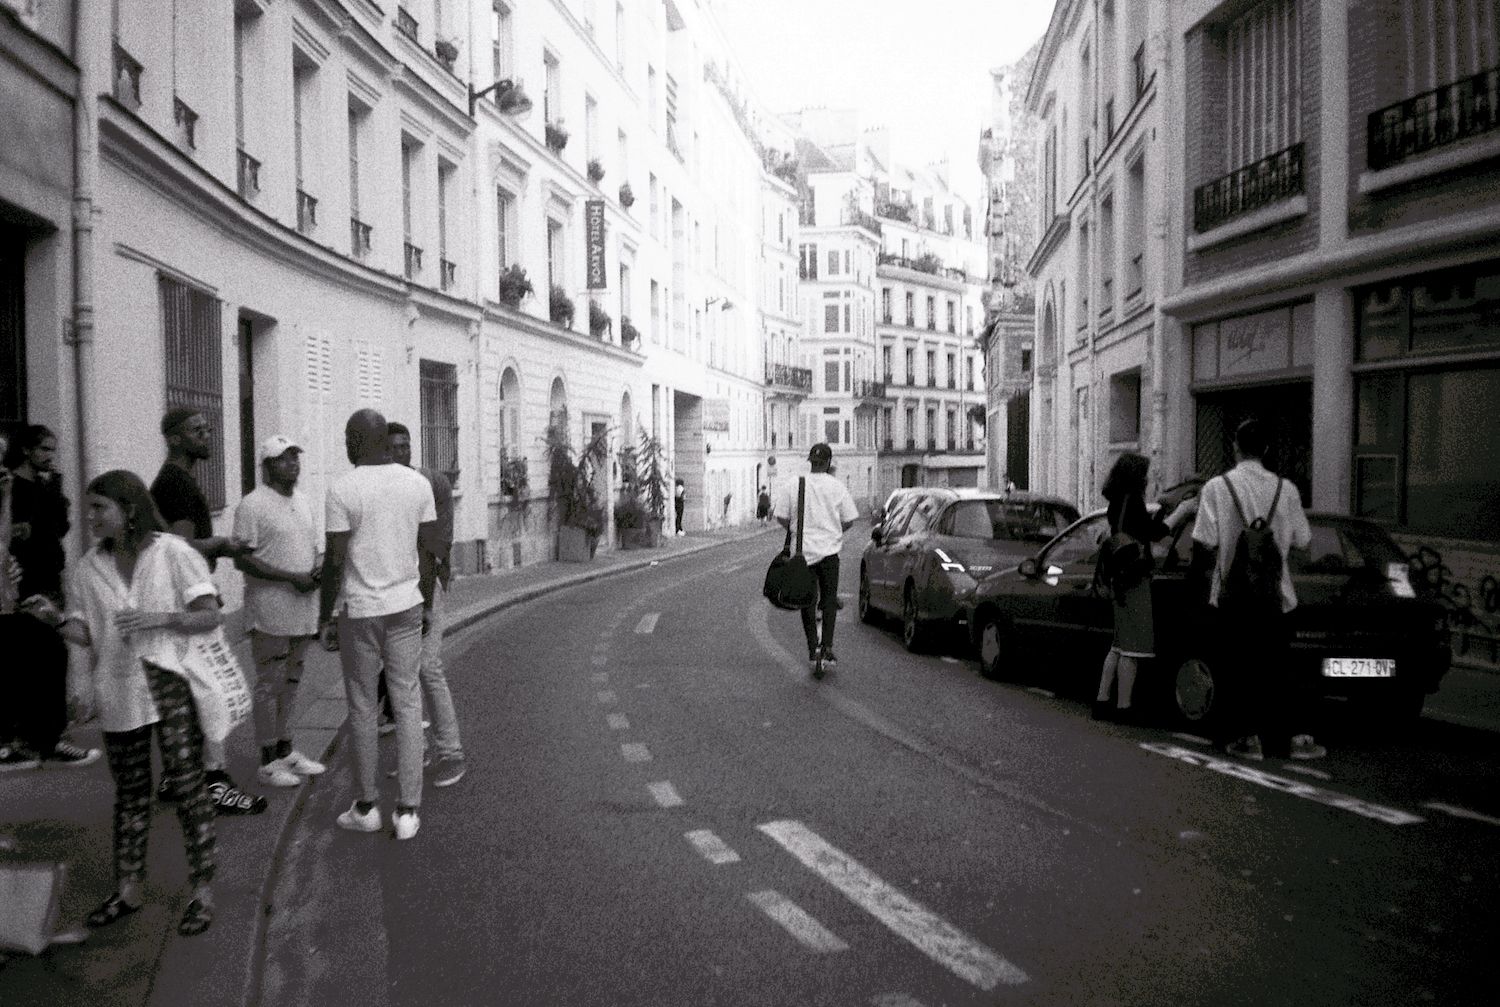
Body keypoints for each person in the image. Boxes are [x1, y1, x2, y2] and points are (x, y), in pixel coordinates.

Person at [25, 470, 222, 937]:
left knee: (188, 787)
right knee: (131, 794)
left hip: (171, 683)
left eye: (100, 507)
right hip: (118, 689)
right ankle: (127, 889)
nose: (90, 516)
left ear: (129, 509)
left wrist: (160, 618)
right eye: (89, 507)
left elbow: (209, 615)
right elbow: (86, 633)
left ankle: (202, 890)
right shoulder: (87, 568)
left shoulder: (173, 553)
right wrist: (55, 620)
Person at [318, 409, 437, 840]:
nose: (345, 445)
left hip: (361, 610)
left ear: (356, 441)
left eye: (347, 438)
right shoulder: (417, 484)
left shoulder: (342, 489)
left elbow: (335, 560)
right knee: (407, 702)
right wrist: (426, 603)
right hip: (406, 605)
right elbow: (428, 551)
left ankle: (366, 806)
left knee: (363, 706)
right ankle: (407, 812)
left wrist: (324, 616)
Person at [1191, 419, 1325, 762]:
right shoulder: (1287, 489)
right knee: (1277, 669)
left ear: (1235, 447)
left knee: (1237, 668)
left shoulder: (1217, 487)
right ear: (1266, 449)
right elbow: (1303, 540)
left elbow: (1204, 540)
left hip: (1232, 597)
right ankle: (1286, 739)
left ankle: (1245, 738)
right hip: (1277, 596)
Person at [150, 407, 263, 814]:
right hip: (187, 602)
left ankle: (176, 775)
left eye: (207, 428)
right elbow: (181, 549)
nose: (207, 433)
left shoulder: (175, 480)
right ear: (174, 438)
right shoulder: (176, 484)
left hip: (182, 599)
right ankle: (213, 780)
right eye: (196, 430)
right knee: (211, 689)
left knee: (186, 691)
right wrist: (221, 546)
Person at [2, 425, 100, 769]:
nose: (50, 456)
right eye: (44, 449)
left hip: (48, 576)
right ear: (27, 450)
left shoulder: (47, 485)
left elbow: (61, 527)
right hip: (22, 582)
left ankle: (43, 737)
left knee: (50, 655)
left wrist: (55, 492)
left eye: (53, 449)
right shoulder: (12, 487)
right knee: (44, 655)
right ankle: (41, 738)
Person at [232, 435, 327, 789]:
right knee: (269, 683)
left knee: (292, 680)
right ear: (268, 465)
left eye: (295, 457)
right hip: (270, 611)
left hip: (302, 609)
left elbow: (313, 548)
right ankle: (267, 759)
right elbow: (242, 559)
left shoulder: (303, 501)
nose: (293, 464)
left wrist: (316, 571)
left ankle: (286, 749)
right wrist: (290, 578)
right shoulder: (252, 505)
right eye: (284, 459)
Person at [386, 422, 465, 788]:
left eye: (405, 446)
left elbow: (435, 549)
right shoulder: (386, 488)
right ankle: (416, 753)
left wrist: (429, 605)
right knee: (406, 674)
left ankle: (451, 753)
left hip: (426, 585)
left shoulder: (429, 484)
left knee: (429, 667)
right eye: (393, 447)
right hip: (400, 590)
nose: (401, 453)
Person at [1092, 452, 1195, 723]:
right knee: (1133, 649)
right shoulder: (1133, 500)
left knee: (1118, 646)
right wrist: (1182, 512)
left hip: (1119, 578)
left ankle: (1102, 702)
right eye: (1145, 474)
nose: (1148, 479)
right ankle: (1124, 708)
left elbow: (1135, 529)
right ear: (1136, 476)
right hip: (1134, 578)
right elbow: (1153, 533)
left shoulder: (1116, 501)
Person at [774, 443, 858, 675]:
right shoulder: (837, 487)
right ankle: (827, 647)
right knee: (829, 600)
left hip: (803, 553)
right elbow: (850, 520)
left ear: (810, 462)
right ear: (829, 463)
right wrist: (833, 531)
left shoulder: (795, 484)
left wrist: (796, 530)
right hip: (829, 552)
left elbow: (780, 516)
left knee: (807, 602)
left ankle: (813, 649)